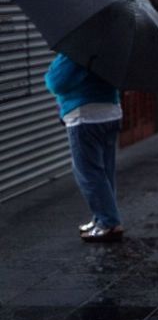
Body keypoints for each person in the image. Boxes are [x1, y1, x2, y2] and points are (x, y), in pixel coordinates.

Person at [44, 53, 124, 243]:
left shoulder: (75, 51)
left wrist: (51, 70)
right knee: (104, 171)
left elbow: (56, 83)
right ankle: (101, 218)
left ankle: (108, 223)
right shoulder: (111, 49)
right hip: (110, 113)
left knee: (88, 173)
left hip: (85, 116)